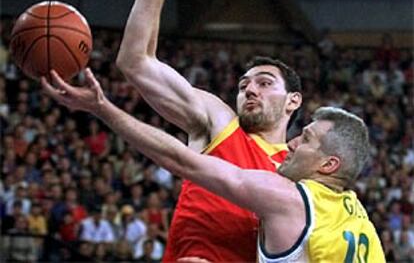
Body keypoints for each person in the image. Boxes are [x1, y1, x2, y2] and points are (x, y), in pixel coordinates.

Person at [115, 0, 302, 261]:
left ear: (293, 100)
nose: (249, 89)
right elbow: (135, 62)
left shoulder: (300, 167)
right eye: (245, 83)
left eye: (264, 83)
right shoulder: (218, 121)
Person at [41, 69, 385, 262]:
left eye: (306, 140)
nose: (294, 142)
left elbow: (180, 160)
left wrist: (103, 108)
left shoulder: (288, 197)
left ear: (328, 164)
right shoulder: (358, 217)